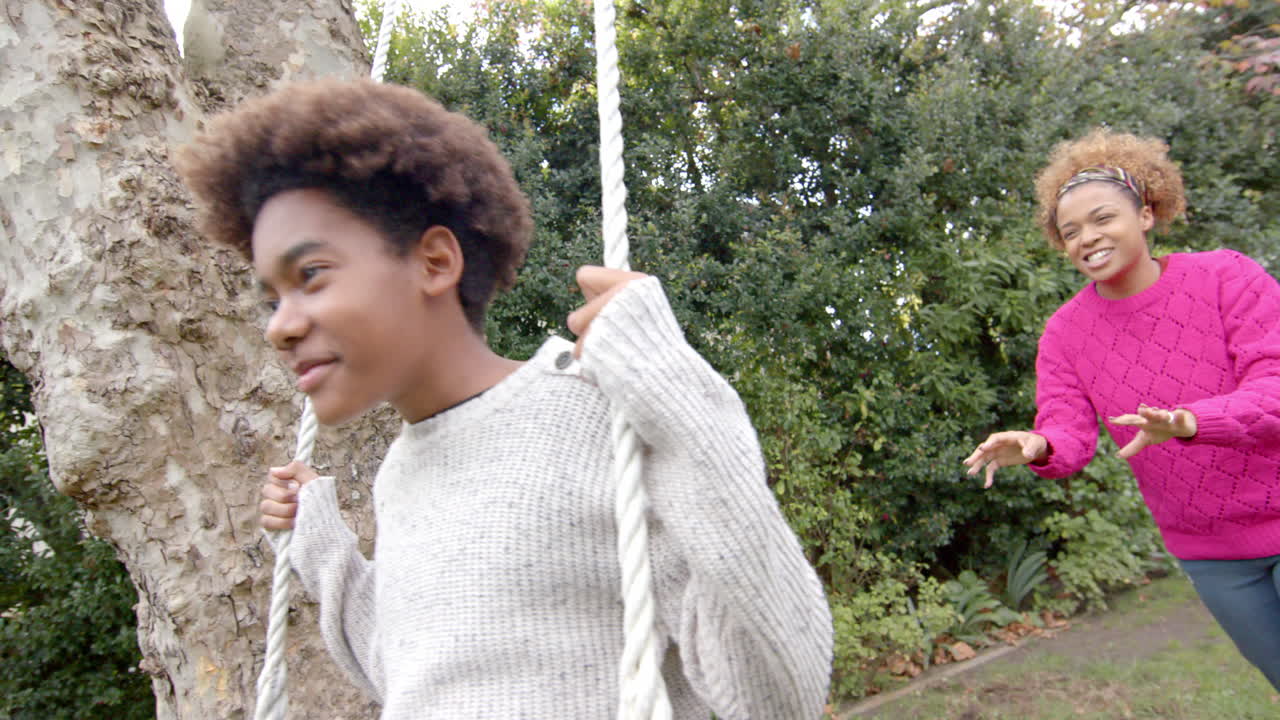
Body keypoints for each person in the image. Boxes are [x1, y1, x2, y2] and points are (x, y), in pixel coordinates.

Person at [175, 77, 832, 719]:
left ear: (434, 262)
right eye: (271, 297)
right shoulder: (402, 474)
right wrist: (321, 550)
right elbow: (420, 678)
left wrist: (676, 389)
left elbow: (776, 694)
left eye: (310, 275)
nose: (279, 325)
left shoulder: (589, 413)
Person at [963, 127, 1280, 690]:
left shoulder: (1224, 276)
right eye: (1070, 232)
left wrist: (1189, 421)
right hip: (1212, 555)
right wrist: (1040, 444)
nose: (1087, 237)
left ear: (1148, 215)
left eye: (1103, 218)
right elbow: (1068, 431)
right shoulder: (1064, 334)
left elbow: (1274, 387)